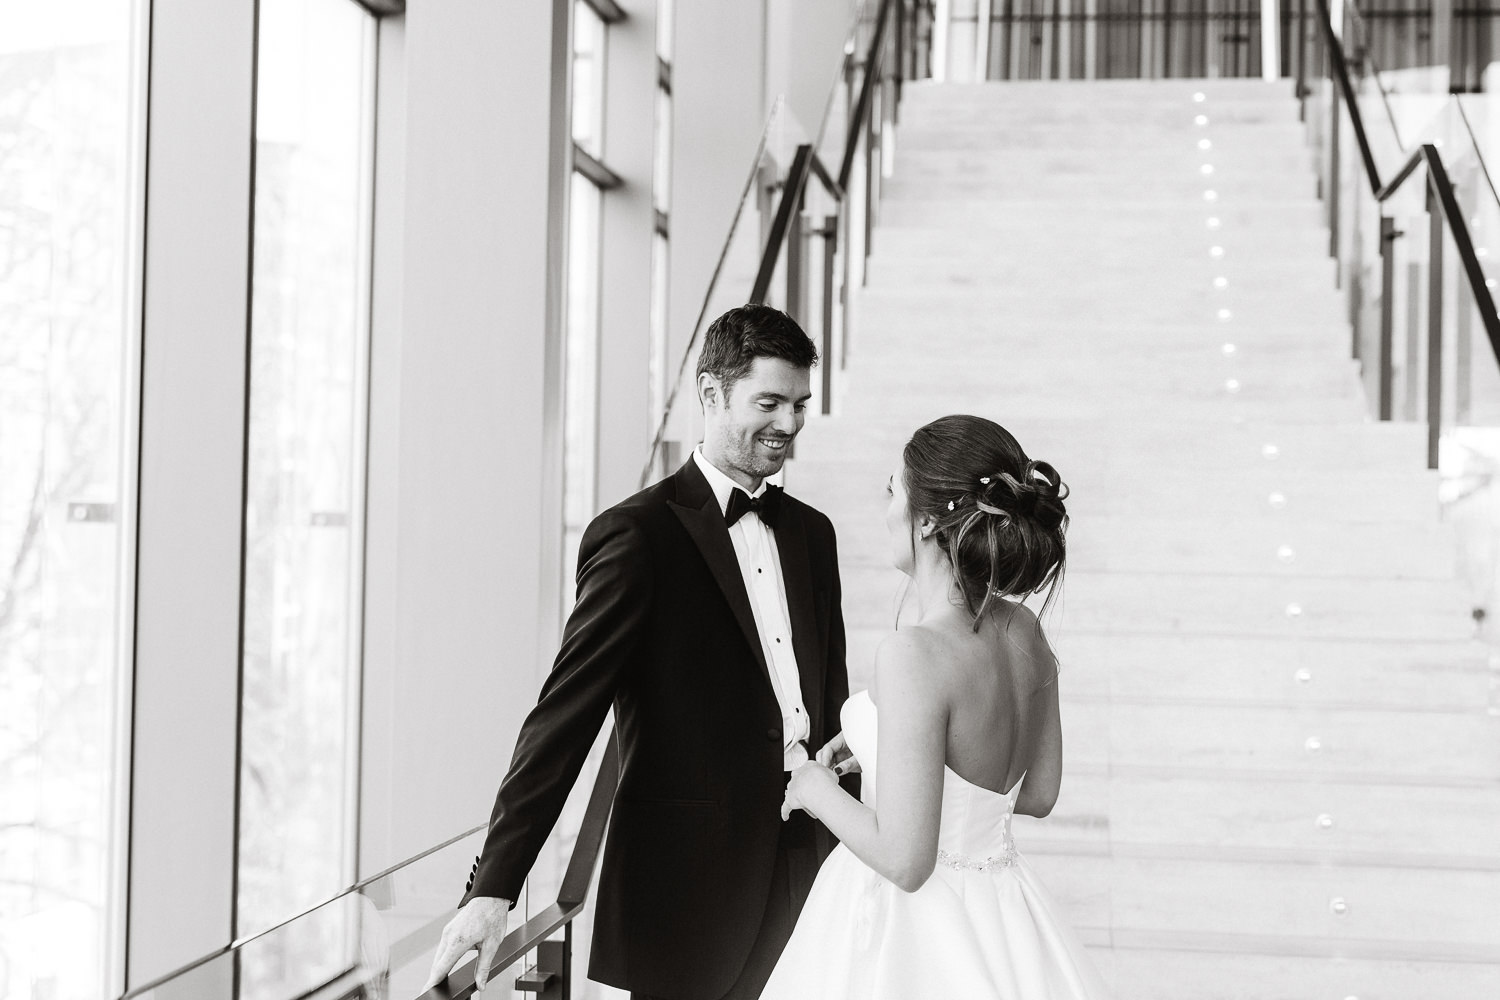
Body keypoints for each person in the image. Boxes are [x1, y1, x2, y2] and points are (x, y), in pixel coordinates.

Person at [423, 304, 857, 1000]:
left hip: (810, 865)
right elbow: (563, 718)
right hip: (688, 892)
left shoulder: (814, 534)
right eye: (769, 402)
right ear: (711, 394)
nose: (790, 424)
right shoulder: (636, 536)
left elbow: (827, 701)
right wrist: (495, 888)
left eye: (800, 405)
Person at [762, 414, 1111, 999]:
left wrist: (812, 787)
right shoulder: (1025, 629)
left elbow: (906, 860)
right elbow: (1039, 793)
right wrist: (889, 749)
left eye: (892, 490)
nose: (887, 508)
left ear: (925, 519)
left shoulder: (913, 653)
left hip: (910, 936)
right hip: (1003, 916)